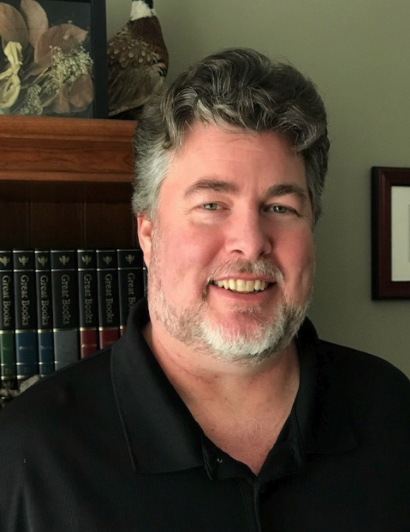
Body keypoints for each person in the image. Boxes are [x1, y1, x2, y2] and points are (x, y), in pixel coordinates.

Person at [0, 47, 409, 531]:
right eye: (212, 204)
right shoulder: (29, 455)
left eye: (280, 208)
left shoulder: (392, 412)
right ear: (148, 232)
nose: (251, 242)